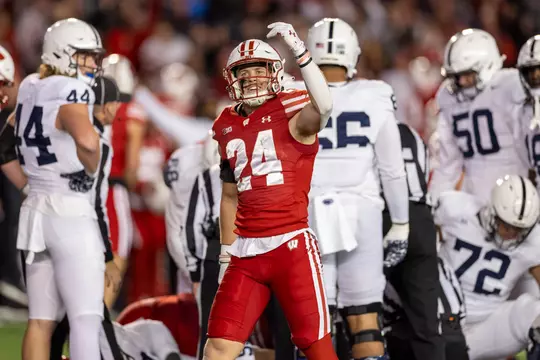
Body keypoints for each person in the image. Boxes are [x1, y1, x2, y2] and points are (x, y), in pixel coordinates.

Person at [205, 22, 336, 360]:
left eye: (258, 71)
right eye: (243, 72)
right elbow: (230, 194)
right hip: (246, 253)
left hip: (290, 245)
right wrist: (225, 252)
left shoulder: (292, 110)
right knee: (218, 347)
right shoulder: (225, 125)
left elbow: (323, 107)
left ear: (274, 74)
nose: (251, 78)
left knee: (316, 348)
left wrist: (300, 51)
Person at [293, 18, 408, 360]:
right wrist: (400, 223)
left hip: (308, 216)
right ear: (353, 55)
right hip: (363, 215)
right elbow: (392, 169)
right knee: (365, 321)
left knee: (313, 326)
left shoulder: (290, 93)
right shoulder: (375, 94)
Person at [11, 18, 120, 360]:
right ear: (62, 53)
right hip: (70, 213)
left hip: (35, 214)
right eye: (85, 56)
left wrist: (29, 184)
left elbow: (4, 143)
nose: (91, 63)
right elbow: (88, 142)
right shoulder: (71, 89)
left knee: (40, 321)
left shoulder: (29, 85)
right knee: (86, 319)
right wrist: (92, 164)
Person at [436, 175, 540, 359]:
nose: (513, 234)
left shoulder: (534, 241)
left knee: (534, 312)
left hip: (487, 325)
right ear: (491, 211)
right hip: (439, 318)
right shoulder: (456, 209)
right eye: (507, 225)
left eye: (520, 230)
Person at [429, 29, 529, 205]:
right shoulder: (448, 96)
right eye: (456, 77)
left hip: (517, 185)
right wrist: (433, 202)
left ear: (488, 66)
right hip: (473, 192)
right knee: (448, 212)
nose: (461, 83)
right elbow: (447, 164)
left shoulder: (510, 85)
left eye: (468, 75)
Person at [101, 54, 146, 307]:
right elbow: (131, 169)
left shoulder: (92, 107)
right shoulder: (132, 112)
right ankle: (102, 314)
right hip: (113, 188)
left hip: (88, 189)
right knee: (119, 253)